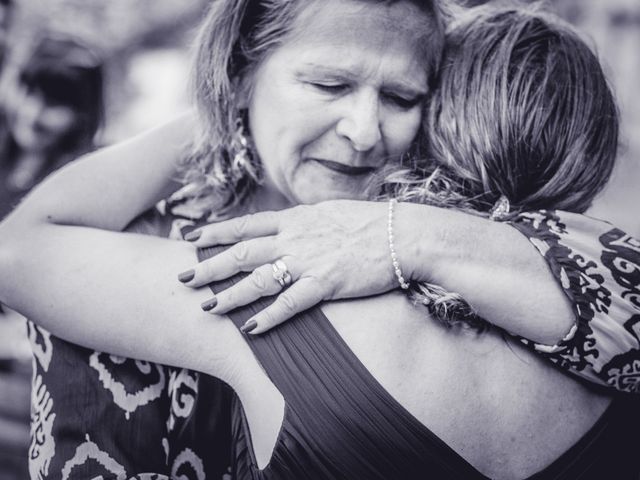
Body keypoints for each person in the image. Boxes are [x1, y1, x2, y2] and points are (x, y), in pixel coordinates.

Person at [0, 0, 638, 477]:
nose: (364, 130)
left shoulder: (300, 281)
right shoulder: (147, 235)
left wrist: (406, 235)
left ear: (443, 111)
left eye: (402, 96)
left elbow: (24, 248)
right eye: (327, 84)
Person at [0, 35, 103, 219]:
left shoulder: (81, 185)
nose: (32, 114)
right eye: (30, 93)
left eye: (53, 102)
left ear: (82, 115)